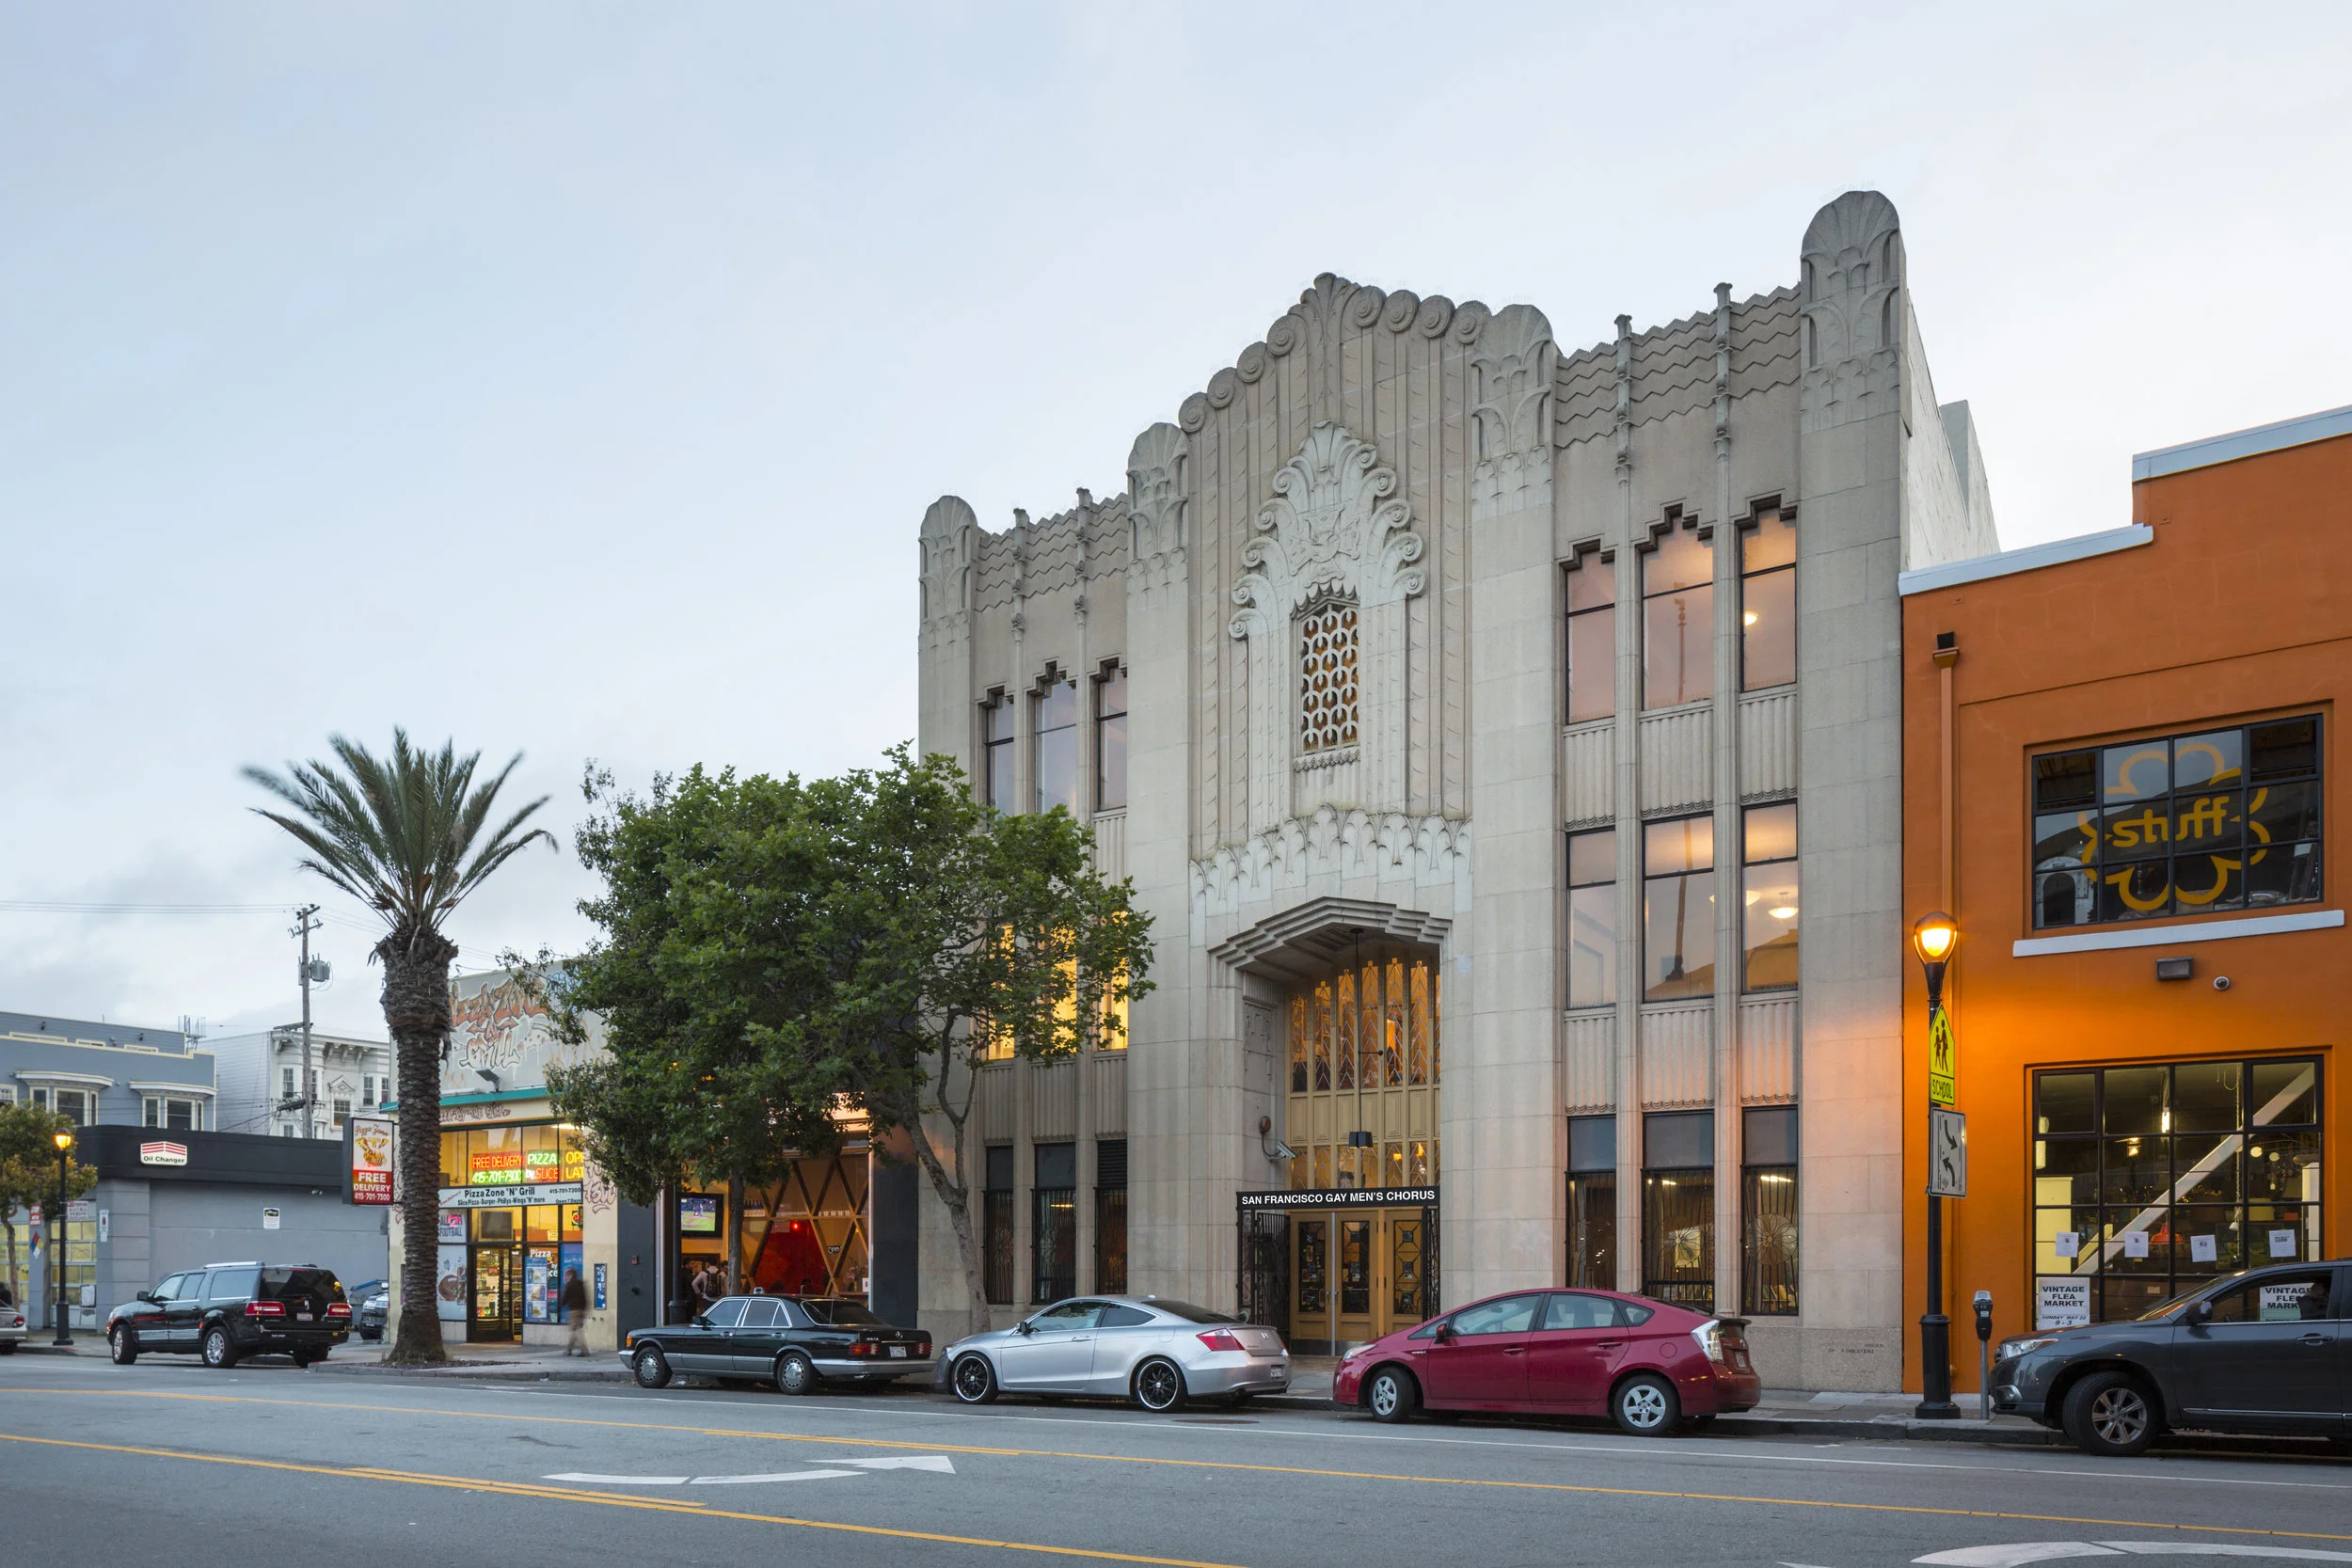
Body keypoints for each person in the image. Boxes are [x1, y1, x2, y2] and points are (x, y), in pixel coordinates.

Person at [560, 1266, 589, 1356]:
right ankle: (569, 1349)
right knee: (574, 1329)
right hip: (581, 1309)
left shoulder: (570, 1284)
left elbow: (565, 1298)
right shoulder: (581, 1284)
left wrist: (559, 1308)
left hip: (574, 1310)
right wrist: (584, 1309)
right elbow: (585, 1298)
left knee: (577, 1330)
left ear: (571, 1275)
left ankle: (584, 1350)